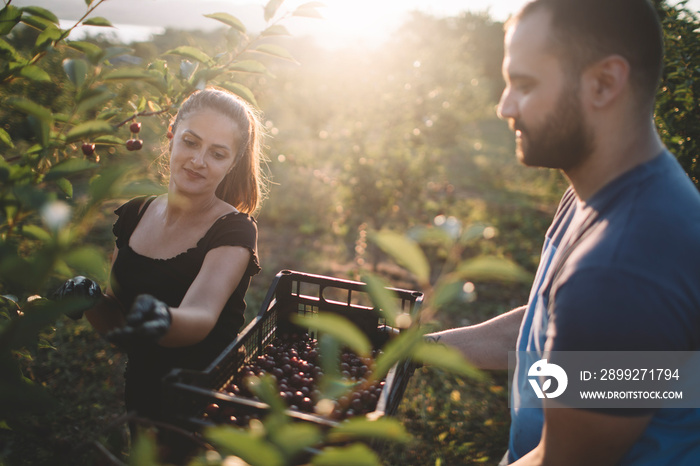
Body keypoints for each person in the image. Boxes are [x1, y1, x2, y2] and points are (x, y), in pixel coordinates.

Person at [428, 0, 700, 464]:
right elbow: (552, 336)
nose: (503, 106)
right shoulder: (599, 196)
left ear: (603, 83)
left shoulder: (624, 266)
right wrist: (420, 348)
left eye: (525, 84)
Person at [54, 87, 265, 447]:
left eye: (217, 153)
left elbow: (200, 317)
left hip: (204, 397)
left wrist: (162, 318)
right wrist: (90, 301)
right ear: (171, 136)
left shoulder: (233, 230)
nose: (198, 161)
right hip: (142, 386)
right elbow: (118, 322)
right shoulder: (136, 214)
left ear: (232, 162)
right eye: (190, 142)